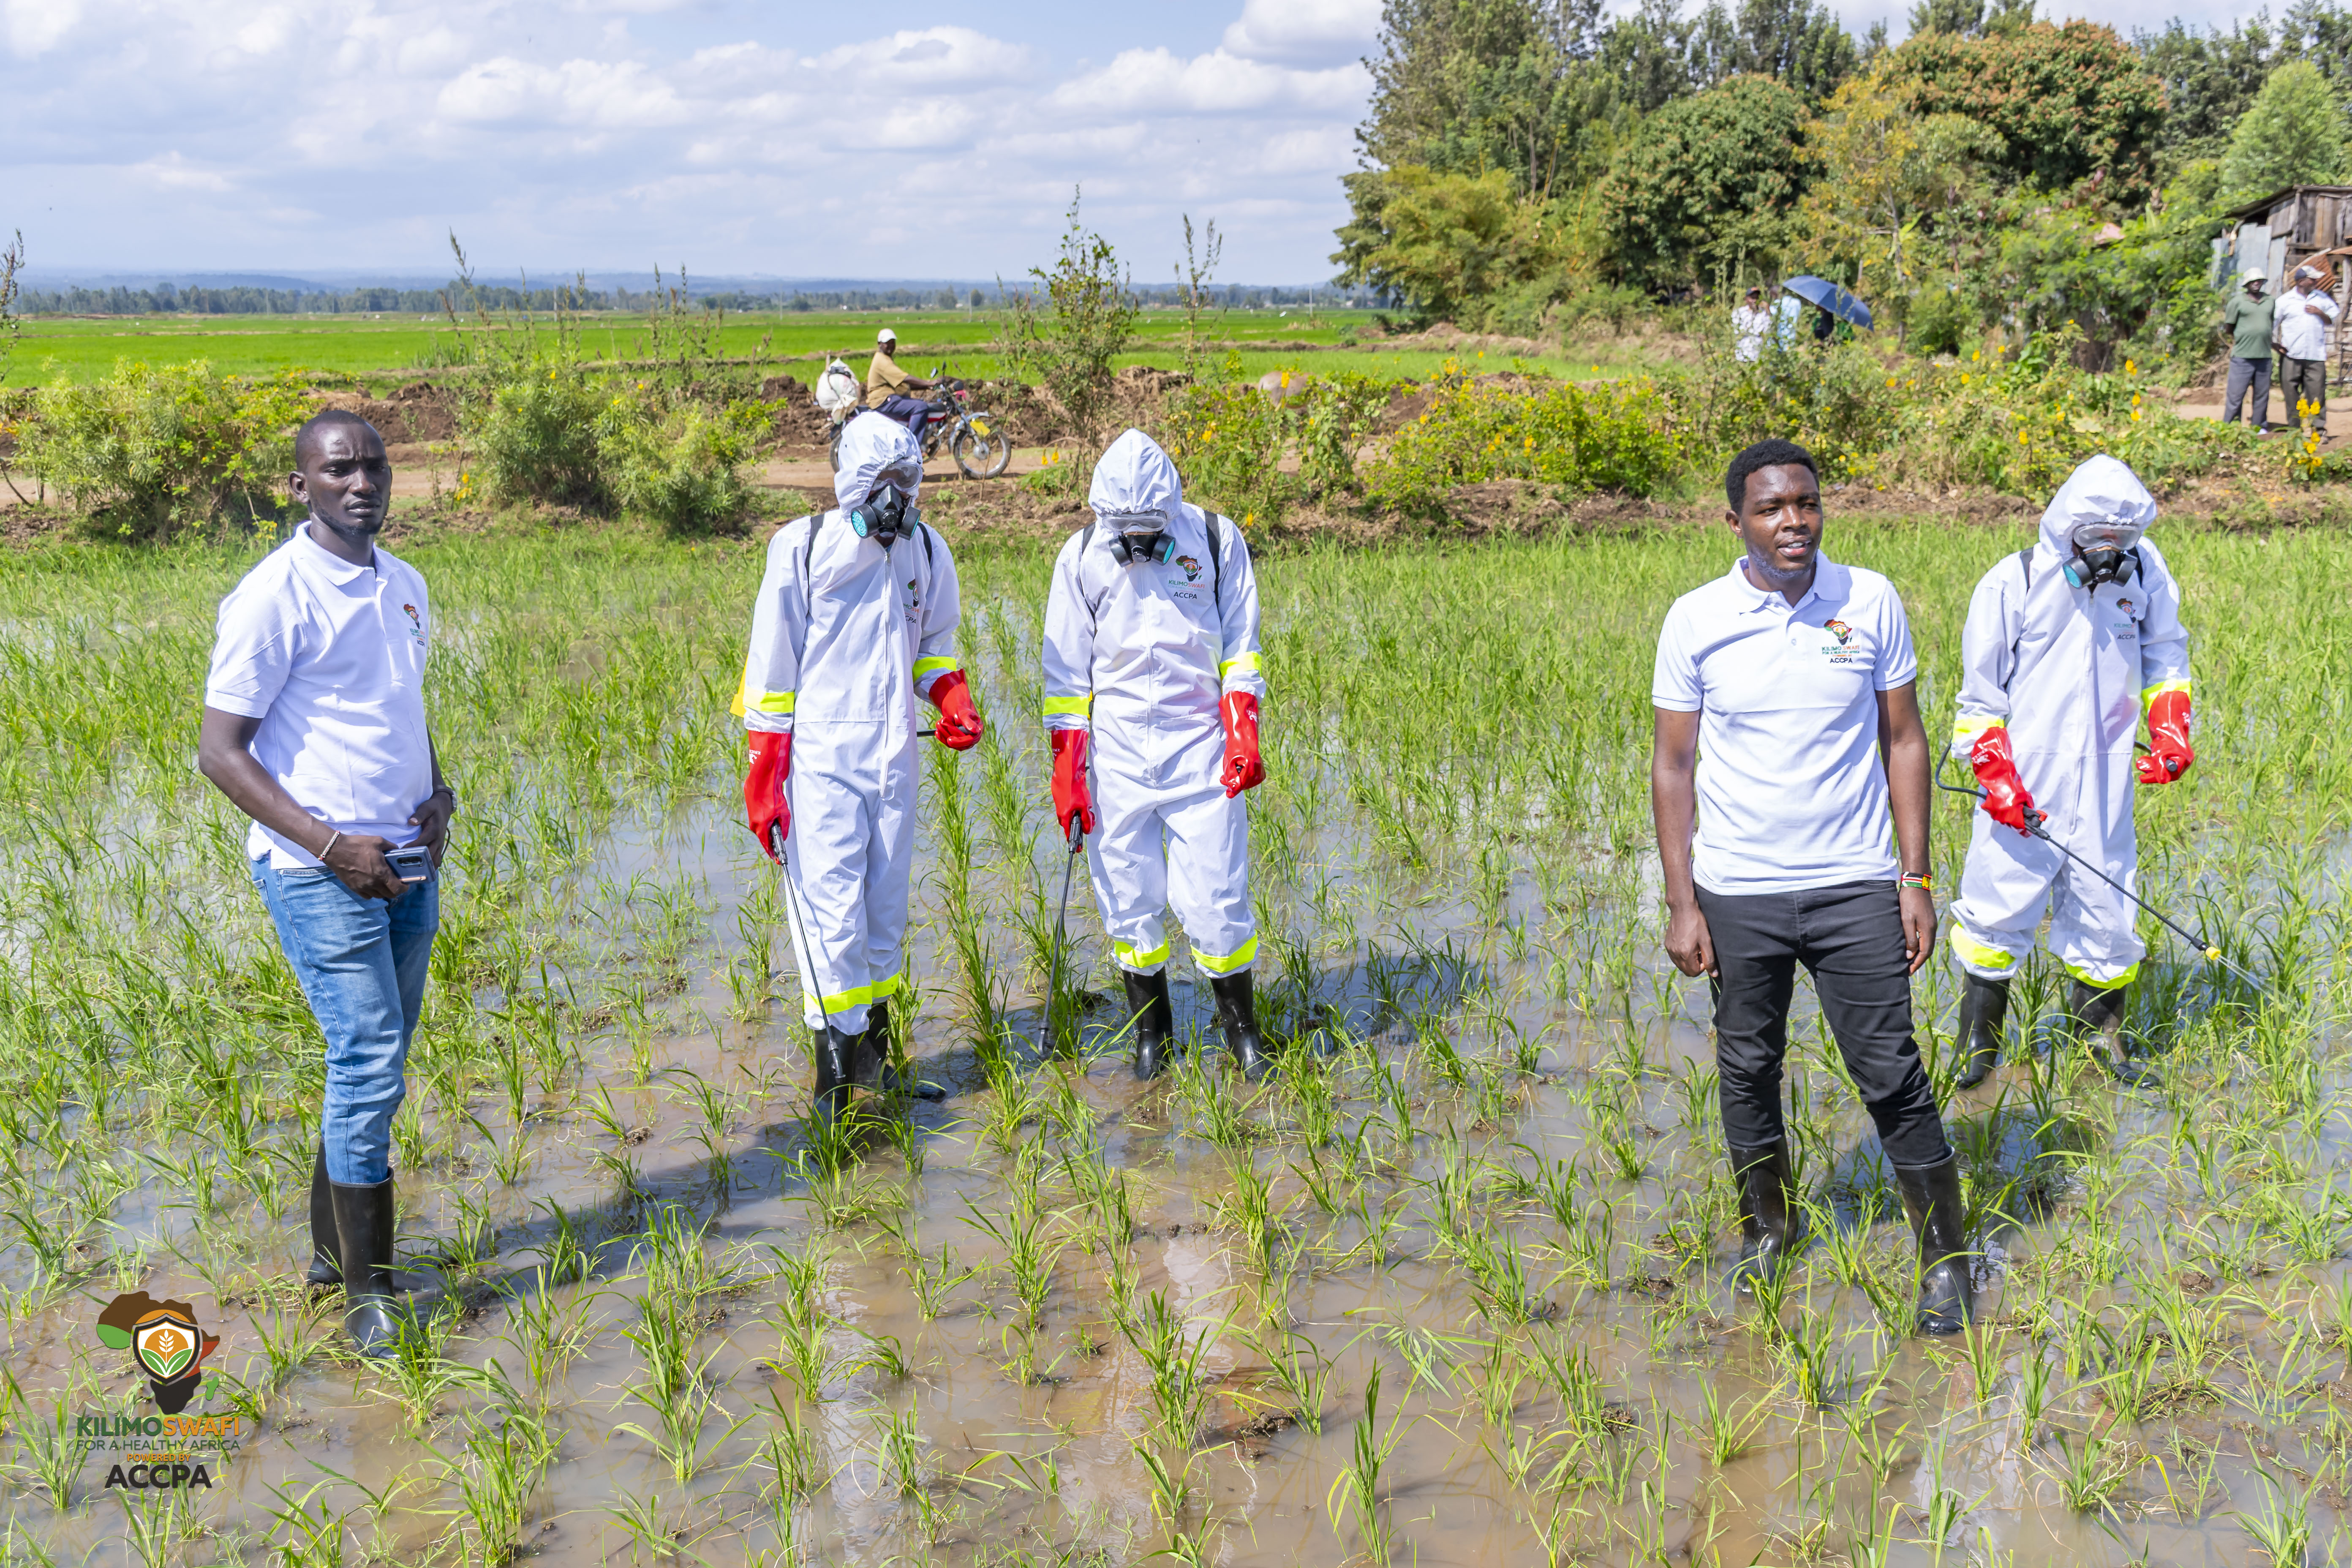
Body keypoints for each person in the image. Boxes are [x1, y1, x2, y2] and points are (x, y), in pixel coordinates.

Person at [1650, 438, 1970, 1336]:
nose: (1793, 522)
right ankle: (1766, 1228)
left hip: (1855, 884)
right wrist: (1684, 901)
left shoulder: (1868, 600)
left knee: (1891, 1070)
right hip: (1739, 889)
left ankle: (1944, 1261)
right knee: (1747, 1064)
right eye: (1771, 508)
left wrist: (1916, 876)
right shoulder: (1697, 618)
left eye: (1807, 503)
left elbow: (1904, 740)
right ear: (1736, 521)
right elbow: (1674, 764)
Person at [196, 410, 454, 1358]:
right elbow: (220, 754)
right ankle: (369, 1293)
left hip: (405, 860)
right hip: (320, 870)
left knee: (373, 1058)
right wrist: (330, 843)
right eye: (339, 470)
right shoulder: (272, 596)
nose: (363, 483)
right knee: (371, 1055)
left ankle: (323, 1252)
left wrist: (438, 792)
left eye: (375, 466)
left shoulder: (406, 583)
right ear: (300, 485)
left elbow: (400, 705)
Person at [740, 412, 984, 1121]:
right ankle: (834, 1085)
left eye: (907, 483)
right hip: (819, 763)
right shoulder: (803, 548)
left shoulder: (927, 551)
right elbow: (769, 672)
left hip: (895, 755)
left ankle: (880, 1062)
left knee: (883, 913)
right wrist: (765, 777)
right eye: (882, 485)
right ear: (850, 483)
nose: (896, 499)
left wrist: (951, 694)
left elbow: (932, 642)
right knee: (831, 918)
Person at [1947, 455, 2190, 1091]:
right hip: (2024, 778)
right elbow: (1979, 699)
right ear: (2064, 530)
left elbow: (2167, 652)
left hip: (2108, 776)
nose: (2109, 553)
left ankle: (2098, 1046)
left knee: (2109, 906)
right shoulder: (2015, 580)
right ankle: (1980, 1046)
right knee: (1999, 906)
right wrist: (1996, 775)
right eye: (2094, 540)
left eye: (2121, 540)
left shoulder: (2150, 572)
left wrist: (2171, 726)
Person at [1040, 429, 1269, 1081]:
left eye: (1150, 529)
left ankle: (1242, 1036)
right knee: (1128, 897)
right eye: (1126, 531)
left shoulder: (1218, 541)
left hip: (1199, 745)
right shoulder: (1081, 555)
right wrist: (1069, 770)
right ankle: (1154, 1040)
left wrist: (1242, 727)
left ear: (1171, 507)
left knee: (1218, 897)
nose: (1137, 544)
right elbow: (1067, 679)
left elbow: (1241, 648)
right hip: (1115, 752)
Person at [2277, 264, 2337, 438]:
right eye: (2313, 279)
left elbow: (2332, 319)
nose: (2317, 282)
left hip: (2315, 355)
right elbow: (2273, 323)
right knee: (2290, 393)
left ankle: (2319, 430)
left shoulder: (2322, 299)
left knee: (2317, 394)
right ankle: (2295, 431)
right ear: (2302, 282)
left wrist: (2320, 313)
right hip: (2291, 354)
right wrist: (2275, 344)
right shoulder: (2285, 301)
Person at [864, 328, 946, 444]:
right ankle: (912, 446)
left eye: (893, 343)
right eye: (887, 343)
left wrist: (927, 386)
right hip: (882, 401)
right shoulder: (882, 361)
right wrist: (930, 383)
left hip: (888, 399)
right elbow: (904, 378)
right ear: (880, 344)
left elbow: (902, 384)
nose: (891, 346)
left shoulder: (885, 359)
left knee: (918, 403)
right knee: (921, 407)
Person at [2222, 268, 2276, 431]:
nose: (2256, 283)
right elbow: (2229, 328)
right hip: (2242, 357)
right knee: (2236, 396)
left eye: (2259, 280)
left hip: (2264, 357)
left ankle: (2259, 427)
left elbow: (2270, 323)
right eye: (2253, 281)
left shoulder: (2270, 301)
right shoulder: (2237, 302)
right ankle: (2231, 428)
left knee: (2262, 396)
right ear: (2247, 284)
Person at [1732, 287, 1771, 363]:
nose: (1755, 300)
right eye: (1752, 298)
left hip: (1759, 354)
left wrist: (1768, 310)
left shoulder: (1764, 313)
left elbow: (1769, 330)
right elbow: (1737, 331)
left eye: (1757, 298)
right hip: (1743, 352)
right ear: (1746, 299)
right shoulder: (1740, 313)